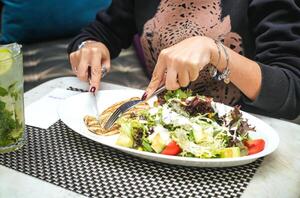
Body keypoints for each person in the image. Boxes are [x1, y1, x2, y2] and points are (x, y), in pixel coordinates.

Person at [67, 0, 300, 119]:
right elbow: (102, 31)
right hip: (163, 132)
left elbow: (290, 92)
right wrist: (89, 47)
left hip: (243, 145)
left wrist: (216, 52)